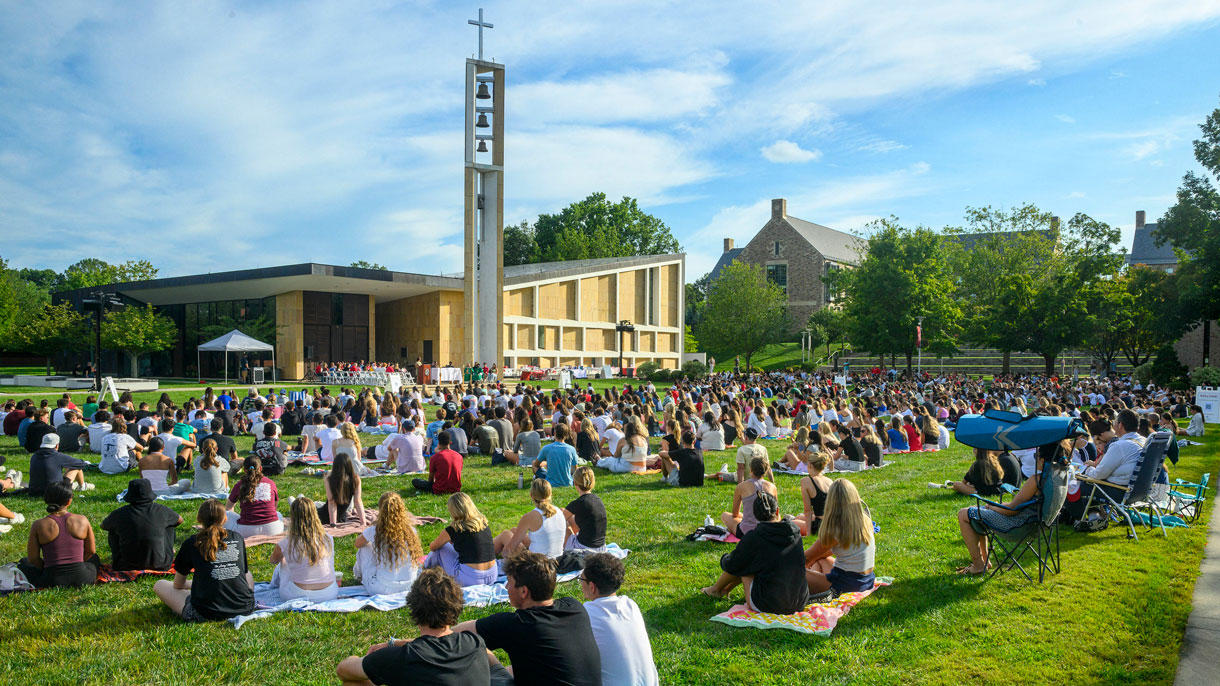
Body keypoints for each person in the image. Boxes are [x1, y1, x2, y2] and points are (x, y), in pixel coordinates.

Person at [454, 550, 602, 686]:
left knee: (482, 653)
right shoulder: (575, 607)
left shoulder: (518, 624)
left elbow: (454, 634)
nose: (506, 587)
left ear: (524, 591)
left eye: (509, 582)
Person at [336, 567, 503, 686]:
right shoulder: (474, 643)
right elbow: (437, 645)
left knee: (353, 683)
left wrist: (363, 658)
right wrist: (395, 643)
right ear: (456, 606)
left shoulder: (401, 658)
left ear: (413, 608)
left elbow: (343, 670)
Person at [956, 440, 1070, 574]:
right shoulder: (1059, 476)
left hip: (1019, 527)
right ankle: (984, 561)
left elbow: (1010, 510)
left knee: (964, 514)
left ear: (1043, 460)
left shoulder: (1037, 480)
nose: (1035, 459)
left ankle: (978, 565)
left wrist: (991, 506)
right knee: (977, 514)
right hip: (1040, 526)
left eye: (1036, 456)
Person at [702, 492, 810, 614]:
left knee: (745, 563)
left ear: (755, 515)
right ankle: (722, 590)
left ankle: (715, 590)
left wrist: (724, 558)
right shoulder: (795, 532)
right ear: (777, 511)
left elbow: (733, 564)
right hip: (800, 600)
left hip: (769, 604)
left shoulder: (755, 537)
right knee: (750, 560)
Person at [155, 500, 256, 622]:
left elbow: (178, 584)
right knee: (248, 573)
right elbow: (243, 572)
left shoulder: (192, 543)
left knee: (159, 584)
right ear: (225, 519)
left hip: (205, 613)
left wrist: (192, 584)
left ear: (199, 519)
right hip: (244, 608)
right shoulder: (237, 538)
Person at [580, 553, 660, 686]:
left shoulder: (588, 613)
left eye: (581, 580)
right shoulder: (630, 605)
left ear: (592, 587)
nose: (580, 584)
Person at [17, 481, 100, 588]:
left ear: (46, 500)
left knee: (24, 562)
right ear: (69, 501)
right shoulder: (82, 520)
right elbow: (91, 551)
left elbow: (33, 559)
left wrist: (47, 569)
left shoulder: (38, 524)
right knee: (95, 558)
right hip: (83, 578)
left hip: (51, 580)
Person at [805, 479, 877, 593]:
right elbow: (823, 554)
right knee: (820, 560)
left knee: (794, 570)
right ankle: (815, 586)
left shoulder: (836, 528)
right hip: (867, 580)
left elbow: (806, 557)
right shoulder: (864, 520)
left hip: (846, 584)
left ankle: (813, 588)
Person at [102, 478, 183, 571]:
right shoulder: (161, 510)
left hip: (124, 565)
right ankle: (166, 551)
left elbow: (104, 526)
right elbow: (180, 520)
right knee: (170, 525)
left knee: (112, 529)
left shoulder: (119, 513)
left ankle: (120, 555)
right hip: (161, 564)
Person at [269, 496, 339, 602]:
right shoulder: (328, 538)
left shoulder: (286, 542)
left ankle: (272, 586)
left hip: (297, 595)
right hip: (330, 593)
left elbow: (273, 560)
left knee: (283, 562)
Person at [353, 492, 424, 595]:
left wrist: (368, 533)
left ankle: (358, 575)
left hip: (382, 588)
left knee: (365, 547)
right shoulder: (411, 531)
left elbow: (357, 544)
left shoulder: (375, 530)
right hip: (411, 586)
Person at [424, 492, 499, 587]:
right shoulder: (483, 523)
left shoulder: (453, 529)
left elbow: (433, 547)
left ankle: (425, 569)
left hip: (471, 579)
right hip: (492, 575)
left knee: (442, 547)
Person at [494, 478, 569, 558]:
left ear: (531, 495)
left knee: (505, 534)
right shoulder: (559, 511)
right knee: (514, 530)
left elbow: (511, 548)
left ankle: (483, 553)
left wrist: (503, 555)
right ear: (550, 494)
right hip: (557, 560)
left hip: (536, 564)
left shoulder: (530, 516)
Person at [720, 456, 779, 538]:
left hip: (746, 531)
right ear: (765, 470)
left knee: (725, 515)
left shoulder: (741, 486)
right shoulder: (772, 487)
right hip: (768, 530)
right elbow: (776, 513)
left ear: (751, 470)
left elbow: (735, 513)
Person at [226, 456, 284, 537]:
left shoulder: (240, 484)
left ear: (245, 470)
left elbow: (228, 508)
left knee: (226, 515)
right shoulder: (271, 483)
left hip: (245, 530)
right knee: (278, 514)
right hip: (273, 529)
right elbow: (275, 507)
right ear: (260, 468)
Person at [28, 433, 93, 495]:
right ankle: (82, 486)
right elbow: (80, 464)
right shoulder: (57, 456)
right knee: (75, 467)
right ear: (57, 445)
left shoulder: (34, 456)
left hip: (34, 491)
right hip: (54, 492)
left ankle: (80, 485)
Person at [564, 466, 608, 552]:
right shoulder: (597, 500)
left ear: (575, 483)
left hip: (585, 548)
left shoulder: (579, 503)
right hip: (601, 547)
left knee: (563, 521)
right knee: (568, 516)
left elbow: (558, 520)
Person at [318, 451, 367, 526]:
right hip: (341, 518)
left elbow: (331, 502)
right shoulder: (355, 479)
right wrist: (363, 522)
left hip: (324, 517)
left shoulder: (329, 479)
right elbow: (357, 501)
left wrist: (333, 524)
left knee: (312, 506)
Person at [793, 451, 833, 536]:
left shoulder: (806, 481)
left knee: (792, 523)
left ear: (810, 465)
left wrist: (808, 533)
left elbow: (808, 511)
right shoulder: (829, 481)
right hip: (833, 522)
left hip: (821, 525)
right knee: (799, 517)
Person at [941, 448, 1005, 496]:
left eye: (974, 449)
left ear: (978, 451)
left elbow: (964, 482)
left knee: (956, 484)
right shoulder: (994, 461)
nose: (973, 451)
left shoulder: (977, 464)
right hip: (997, 490)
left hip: (982, 492)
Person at [537, 423, 580, 487]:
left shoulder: (546, 448)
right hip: (568, 482)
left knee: (534, 464)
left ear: (554, 433)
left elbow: (536, 464)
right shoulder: (571, 449)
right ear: (566, 435)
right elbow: (575, 469)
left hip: (550, 482)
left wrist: (545, 463)